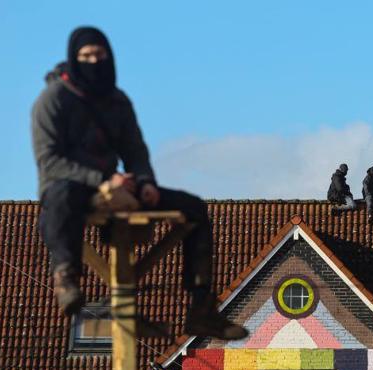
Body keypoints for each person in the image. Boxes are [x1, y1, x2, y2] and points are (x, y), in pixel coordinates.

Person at [31, 27, 247, 341]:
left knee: (194, 208)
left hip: (117, 185)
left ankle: (201, 307)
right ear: (74, 60)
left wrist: (145, 181)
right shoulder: (52, 100)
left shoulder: (117, 101)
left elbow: (134, 149)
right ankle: (66, 278)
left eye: (100, 56)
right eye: (87, 57)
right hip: (68, 183)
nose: (95, 62)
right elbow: (48, 160)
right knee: (60, 200)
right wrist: (102, 178)